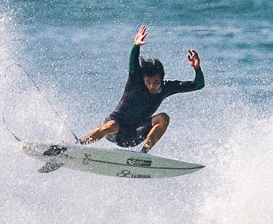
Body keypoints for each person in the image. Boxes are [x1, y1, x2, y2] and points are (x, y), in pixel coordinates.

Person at [80, 25, 204, 153]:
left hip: (134, 134)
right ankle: (79, 145)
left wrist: (197, 68)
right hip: (115, 129)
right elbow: (133, 61)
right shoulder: (135, 81)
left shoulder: (167, 87)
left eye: (156, 82)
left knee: (163, 118)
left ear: (162, 79)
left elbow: (198, 85)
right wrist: (136, 46)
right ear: (143, 79)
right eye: (148, 82)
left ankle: (143, 155)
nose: (152, 86)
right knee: (112, 125)